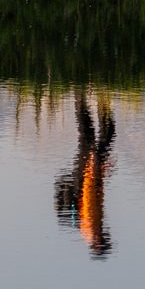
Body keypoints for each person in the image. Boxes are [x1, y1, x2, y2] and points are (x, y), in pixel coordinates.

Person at [53, 94, 117, 257]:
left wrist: (93, 167)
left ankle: (85, 94)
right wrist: (100, 172)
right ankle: (99, 97)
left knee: (95, 133)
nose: (108, 235)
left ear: (98, 241)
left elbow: (88, 196)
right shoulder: (90, 228)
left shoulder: (91, 226)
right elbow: (96, 196)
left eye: (106, 239)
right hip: (89, 175)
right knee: (100, 133)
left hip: (86, 175)